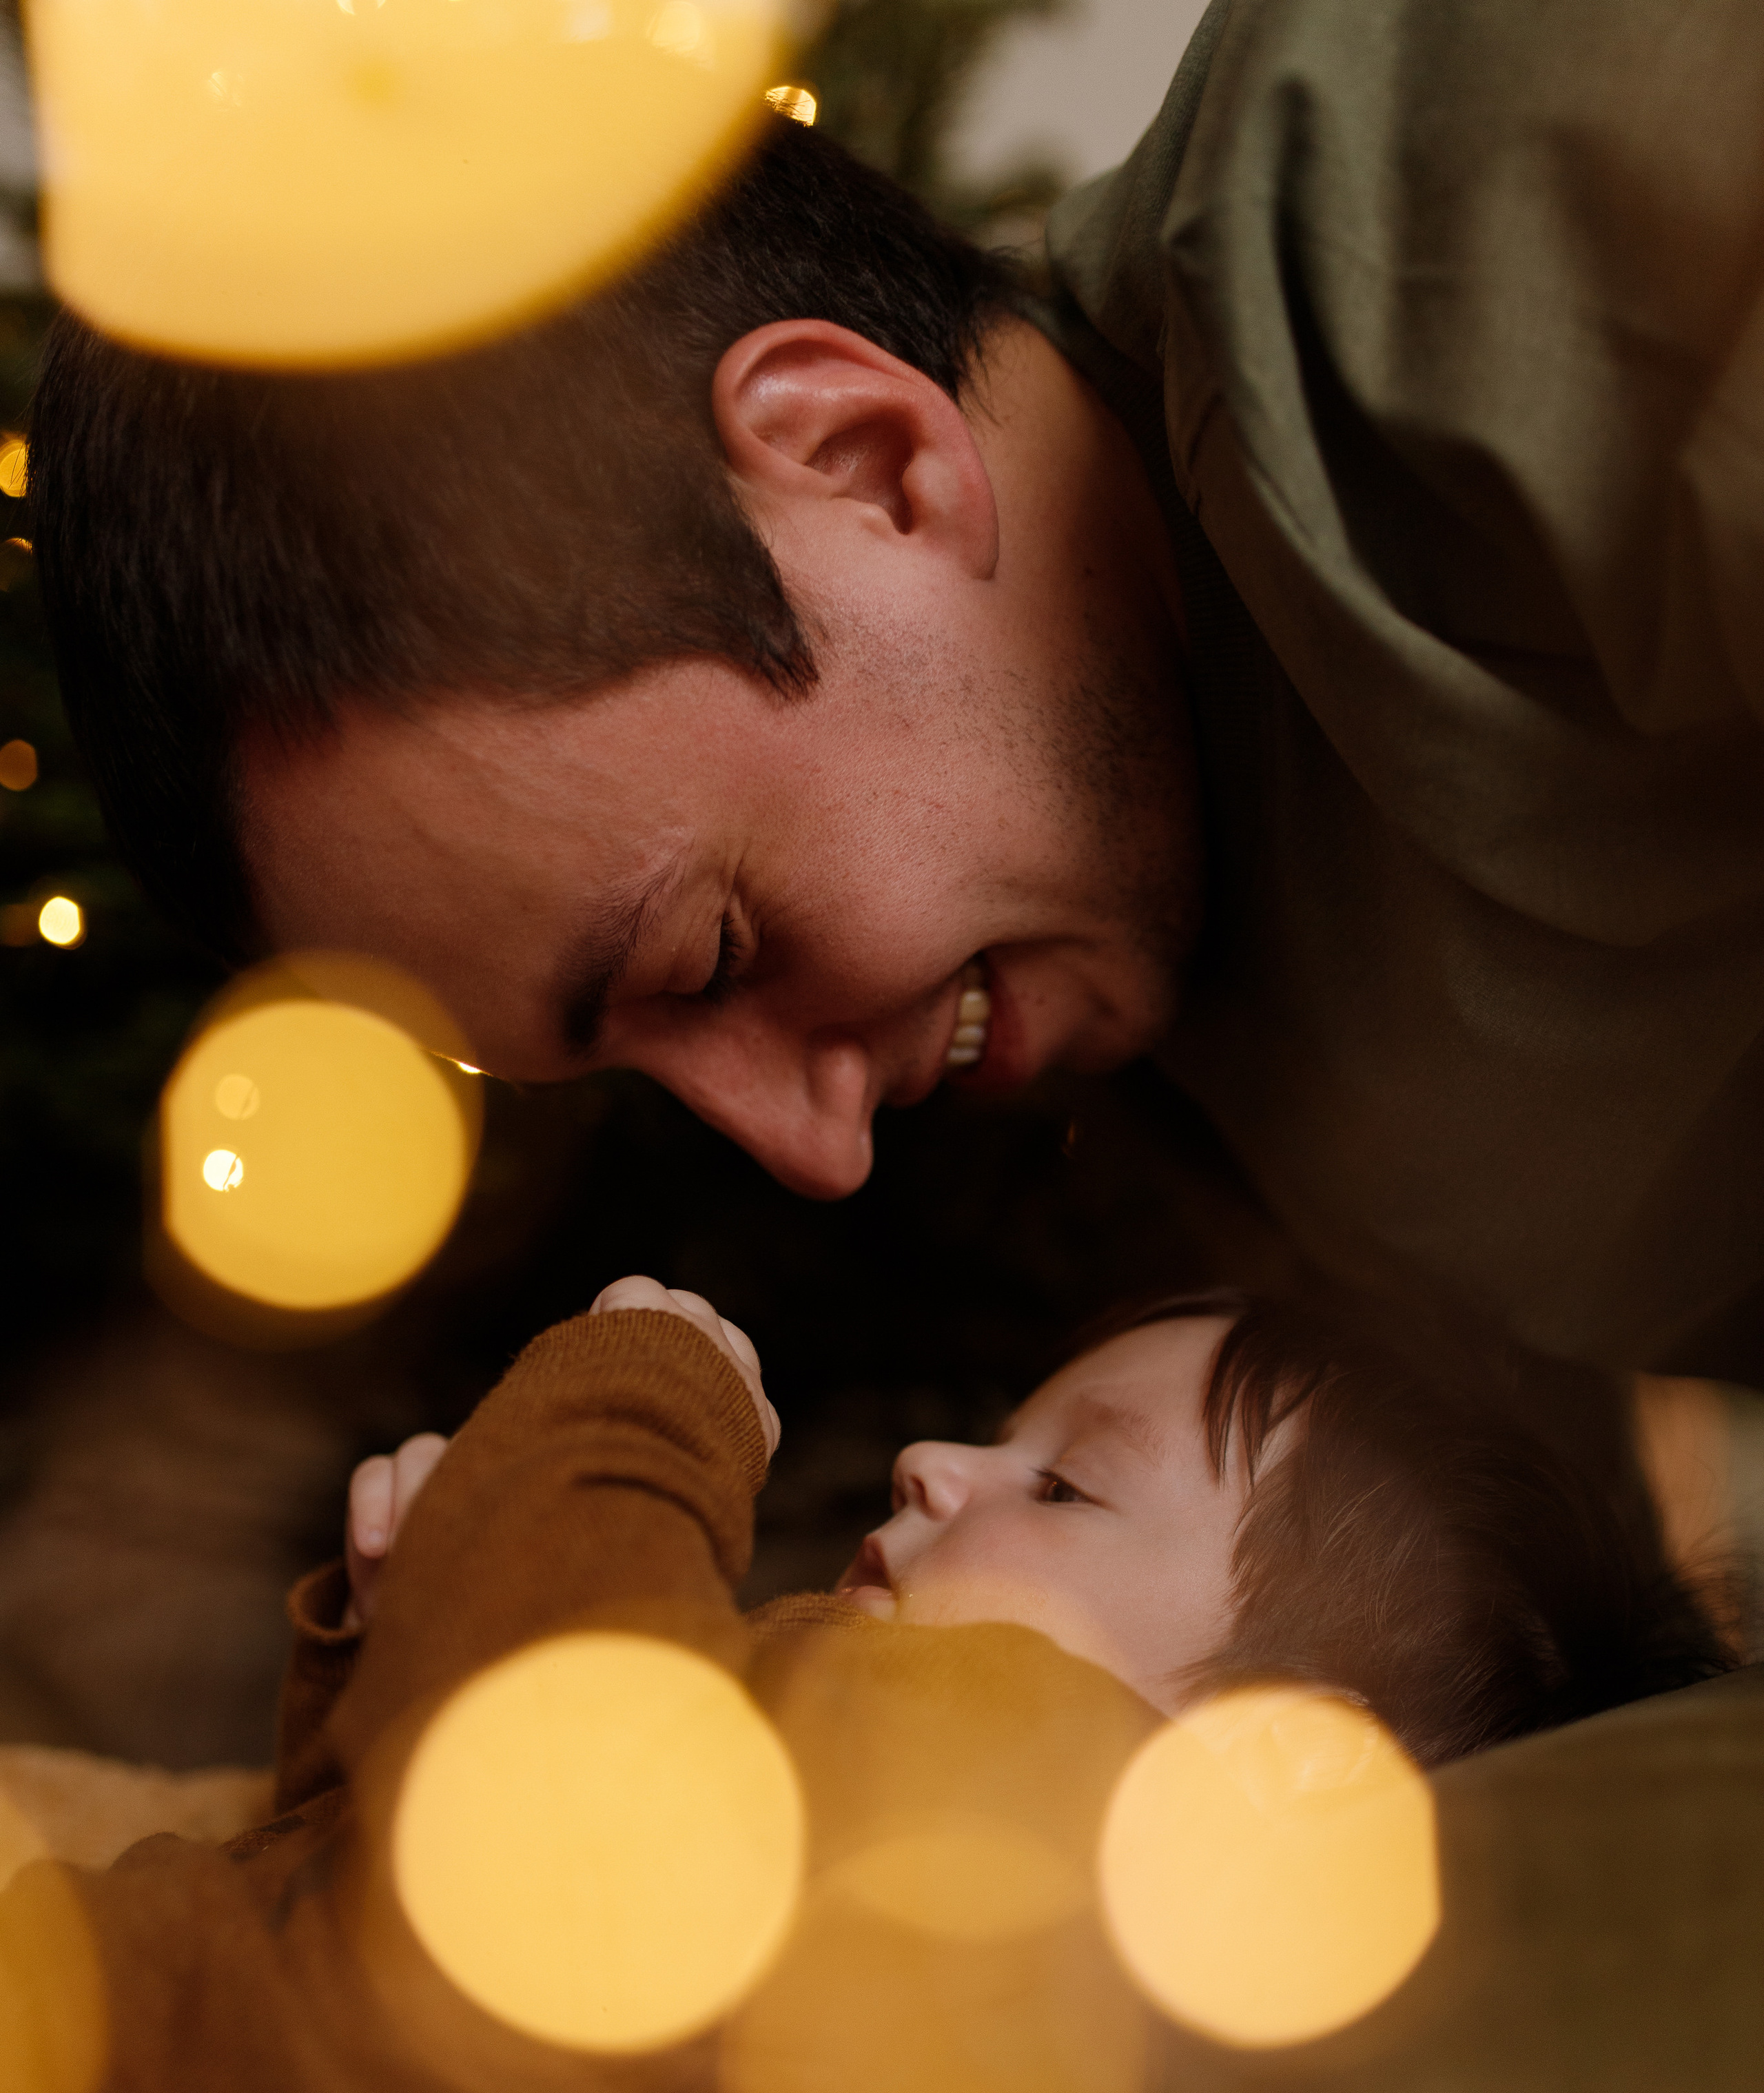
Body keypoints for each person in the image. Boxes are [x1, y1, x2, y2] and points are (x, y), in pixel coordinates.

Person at [24, 0, 1764, 1372]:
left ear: (860, 461)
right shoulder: (1125, 975)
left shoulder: (1456, 171)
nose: (816, 1153)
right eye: (639, 1066)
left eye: (708, 958)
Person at [8, 1270, 1721, 2093]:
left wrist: (632, 1412)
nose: (936, 1467)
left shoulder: (1022, 1765)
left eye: (1064, 1484)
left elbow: (548, 1796)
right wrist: (403, 1631)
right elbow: (369, 1949)